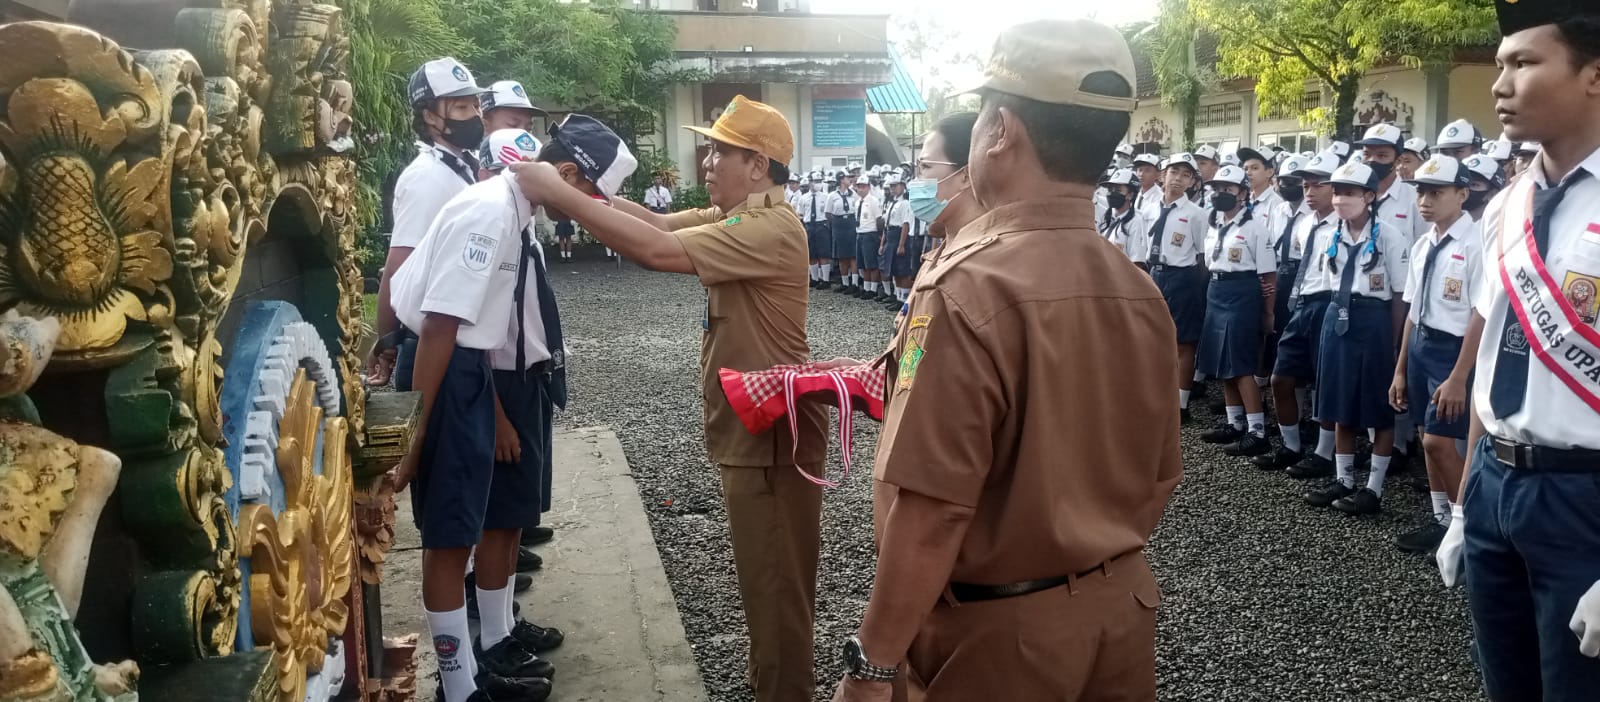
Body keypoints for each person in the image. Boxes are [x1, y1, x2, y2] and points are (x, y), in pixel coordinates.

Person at [830, 21, 1181, 702]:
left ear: (1000, 131)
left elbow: (933, 513)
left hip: (1002, 640)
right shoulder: (1138, 289)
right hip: (1121, 614)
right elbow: (1159, 475)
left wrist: (871, 668)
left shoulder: (967, 286)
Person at [513, 97, 828, 702]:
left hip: (771, 443)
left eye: (720, 152)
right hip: (754, 434)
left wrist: (558, 190)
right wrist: (581, 190)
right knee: (765, 588)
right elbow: (654, 226)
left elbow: (653, 252)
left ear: (758, 165)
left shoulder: (766, 228)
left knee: (777, 593)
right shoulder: (738, 217)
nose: (707, 161)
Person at [389, 125, 609, 702]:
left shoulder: (512, 209)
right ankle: (459, 691)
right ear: (566, 177)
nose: (593, 212)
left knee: (463, 526)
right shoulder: (490, 214)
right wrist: (415, 437)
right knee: (450, 537)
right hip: (447, 368)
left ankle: (468, 676)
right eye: (590, 194)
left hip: (465, 367)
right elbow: (439, 325)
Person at [1433, 4, 1600, 699]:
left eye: (1524, 63)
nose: (1501, 83)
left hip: (1584, 498)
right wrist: (1469, 503)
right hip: (1496, 483)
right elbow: (1498, 359)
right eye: (1500, 64)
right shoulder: (1506, 205)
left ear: (1593, 76)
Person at [1300, 161, 1412, 515]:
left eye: (1348, 192)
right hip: (1337, 317)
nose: (1339, 199)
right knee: (1338, 403)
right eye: (1336, 192)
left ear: (1369, 196)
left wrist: (1393, 343)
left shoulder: (1391, 237)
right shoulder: (1329, 235)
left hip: (1374, 321)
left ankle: (1373, 488)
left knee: (1378, 408)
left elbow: (1398, 295)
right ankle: (1344, 479)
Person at [369, 57, 487, 389]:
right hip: (436, 349)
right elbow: (398, 268)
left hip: (463, 342)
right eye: (462, 107)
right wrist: (389, 341)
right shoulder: (427, 178)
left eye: (475, 106)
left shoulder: (464, 166)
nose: (475, 116)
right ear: (430, 116)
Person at [1387, 154, 1483, 553]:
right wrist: (1401, 369)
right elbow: (1413, 309)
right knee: (1429, 435)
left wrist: (1460, 376)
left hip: (1455, 351)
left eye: (1436, 192)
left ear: (1462, 194)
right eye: (1421, 192)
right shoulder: (1425, 242)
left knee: (1439, 443)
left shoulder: (1476, 243)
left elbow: (1481, 312)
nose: (1425, 200)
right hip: (1424, 344)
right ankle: (1442, 521)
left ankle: (1471, 528)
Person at [1257, 150, 1344, 472]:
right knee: (1281, 377)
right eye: (1305, 186)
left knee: (1325, 381)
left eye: (1317, 185)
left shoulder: (1346, 225)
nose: (1309, 192)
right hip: (1303, 302)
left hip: (1329, 302)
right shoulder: (1304, 224)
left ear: (1334, 187)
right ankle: (1291, 445)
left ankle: (1324, 453)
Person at [1195, 164, 1277, 456]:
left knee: (1241, 364)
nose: (1221, 194)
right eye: (1217, 189)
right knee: (1222, 363)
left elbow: (1268, 275)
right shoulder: (1214, 223)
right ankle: (1235, 423)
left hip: (1242, 292)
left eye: (1228, 189)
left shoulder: (1254, 227)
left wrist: (1268, 313)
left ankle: (1257, 431)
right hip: (1216, 291)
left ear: (1242, 192)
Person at [1146, 152, 1211, 422]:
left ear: (1193, 182)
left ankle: (1181, 405)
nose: (1178, 179)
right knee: (1152, 338)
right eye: (1174, 172)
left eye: (1186, 175)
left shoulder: (1196, 214)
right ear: (1163, 175)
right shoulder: (1148, 207)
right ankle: (1154, 396)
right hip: (1152, 274)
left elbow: (1202, 254)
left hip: (1181, 277)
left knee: (1183, 342)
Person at [1256, 154, 1311, 403]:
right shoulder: (1278, 210)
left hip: (1303, 273)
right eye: (1284, 181)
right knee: (1275, 335)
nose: (1288, 186)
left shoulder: (1313, 213)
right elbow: (1269, 245)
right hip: (1279, 272)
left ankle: (1300, 409)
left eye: (1295, 181)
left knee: (1299, 342)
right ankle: (1274, 403)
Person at [1098, 168, 1150, 265]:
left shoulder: (1136, 222)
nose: (1112, 193)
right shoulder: (1107, 218)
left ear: (1130, 195)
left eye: (1118, 190)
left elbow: (1137, 263)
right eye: (1110, 189)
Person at [881, 176, 916, 308]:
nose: (893, 189)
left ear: (902, 186)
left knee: (903, 270)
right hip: (890, 236)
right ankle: (898, 297)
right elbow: (886, 225)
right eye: (891, 186)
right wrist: (883, 243)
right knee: (894, 270)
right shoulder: (892, 203)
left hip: (899, 236)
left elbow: (905, 224)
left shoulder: (905, 203)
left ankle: (904, 300)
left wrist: (901, 244)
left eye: (895, 186)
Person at [851, 178, 887, 301]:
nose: (860, 189)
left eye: (863, 186)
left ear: (868, 187)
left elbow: (879, 219)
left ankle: (873, 288)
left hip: (870, 233)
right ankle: (866, 288)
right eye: (859, 186)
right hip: (860, 233)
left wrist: (879, 234)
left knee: (871, 263)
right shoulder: (857, 202)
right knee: (863, 263)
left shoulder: (873, 201)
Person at [827, 171, 860, 295]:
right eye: (847, 178)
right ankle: (845, 283)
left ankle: (855, 283)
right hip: (839, 224)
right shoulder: (832, 195)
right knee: (842, 255)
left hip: (851, 223)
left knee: (853, 254)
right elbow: (828, 213)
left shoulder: (853, 194)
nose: (849, 180)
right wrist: (837, 223)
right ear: (841, 180)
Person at [799, 173, 832, 289]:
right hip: (809, 226)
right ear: (809, 182)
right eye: (813, 181)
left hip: (821, 225)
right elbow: (801, 214)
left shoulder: (825, 196)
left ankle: (826, 279)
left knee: (823, 253)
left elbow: (829, 214)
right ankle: (815, 278)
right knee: (811, 253)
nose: (815, 184)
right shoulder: (803, 198)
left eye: (818, 181)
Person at [1236, 147, 1282, 217]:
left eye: (1255, 168)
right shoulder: (1244, 200)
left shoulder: (1277, 204)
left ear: (1269, 172)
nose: (1248, 173)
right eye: (1245, 169)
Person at [1461, 153, 1505, 222]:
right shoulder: (1442, 220)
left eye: (1474, 185)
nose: (1464, 188)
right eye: (1462, 181)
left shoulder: (1495, 227)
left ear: (1493, 194)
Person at [1132, 152, 1164, 220]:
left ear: (1158, 174)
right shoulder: (1133, 194)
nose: (1141, 174)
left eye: (1147, 170)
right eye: (1140, 170)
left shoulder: (1160, 198)